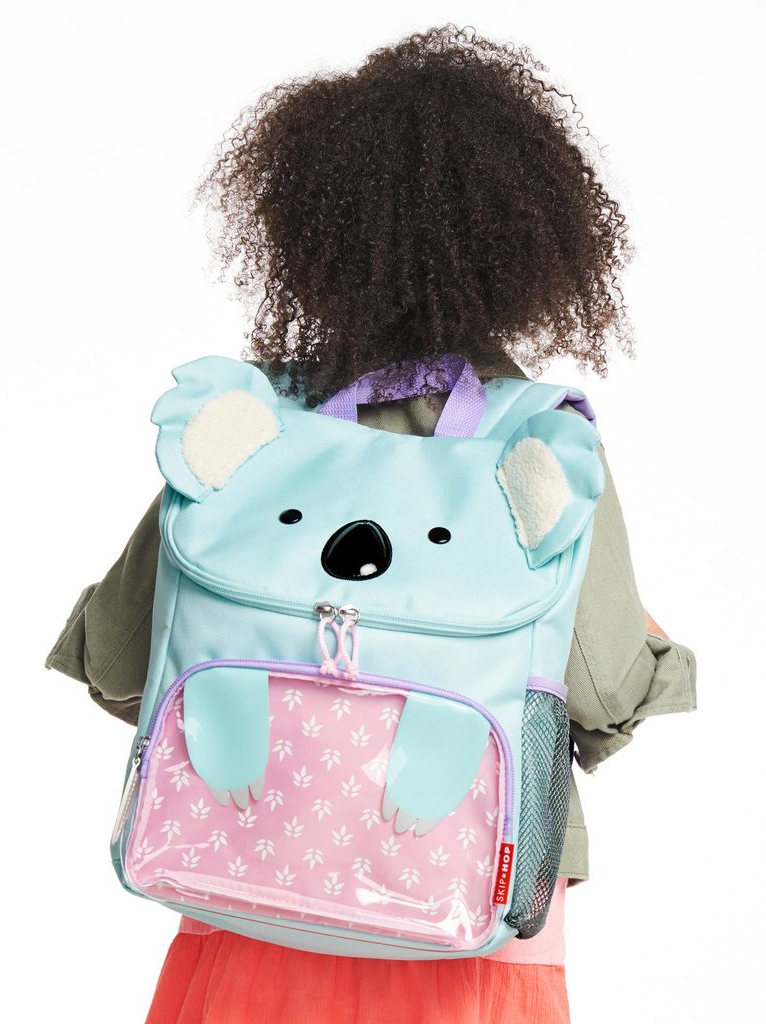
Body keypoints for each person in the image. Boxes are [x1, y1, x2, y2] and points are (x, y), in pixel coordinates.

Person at [45, 24, 697, 1024]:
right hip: (468, 906)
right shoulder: (538, 444)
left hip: (247, 883)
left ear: (307, 233)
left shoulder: (254, 427)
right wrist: (656, 659)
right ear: (530, 241)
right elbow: (604, 688)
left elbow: (121, 657)